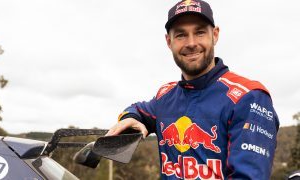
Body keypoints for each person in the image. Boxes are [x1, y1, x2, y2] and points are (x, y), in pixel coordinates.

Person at [105, 0, 280, 179]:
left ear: (215, 35)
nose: (191, 43)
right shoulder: (165, 96)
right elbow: (139, 110)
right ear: (168, 41)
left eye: (200, 32)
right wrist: (131, 118)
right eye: (181, 35)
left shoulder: (248, 97)